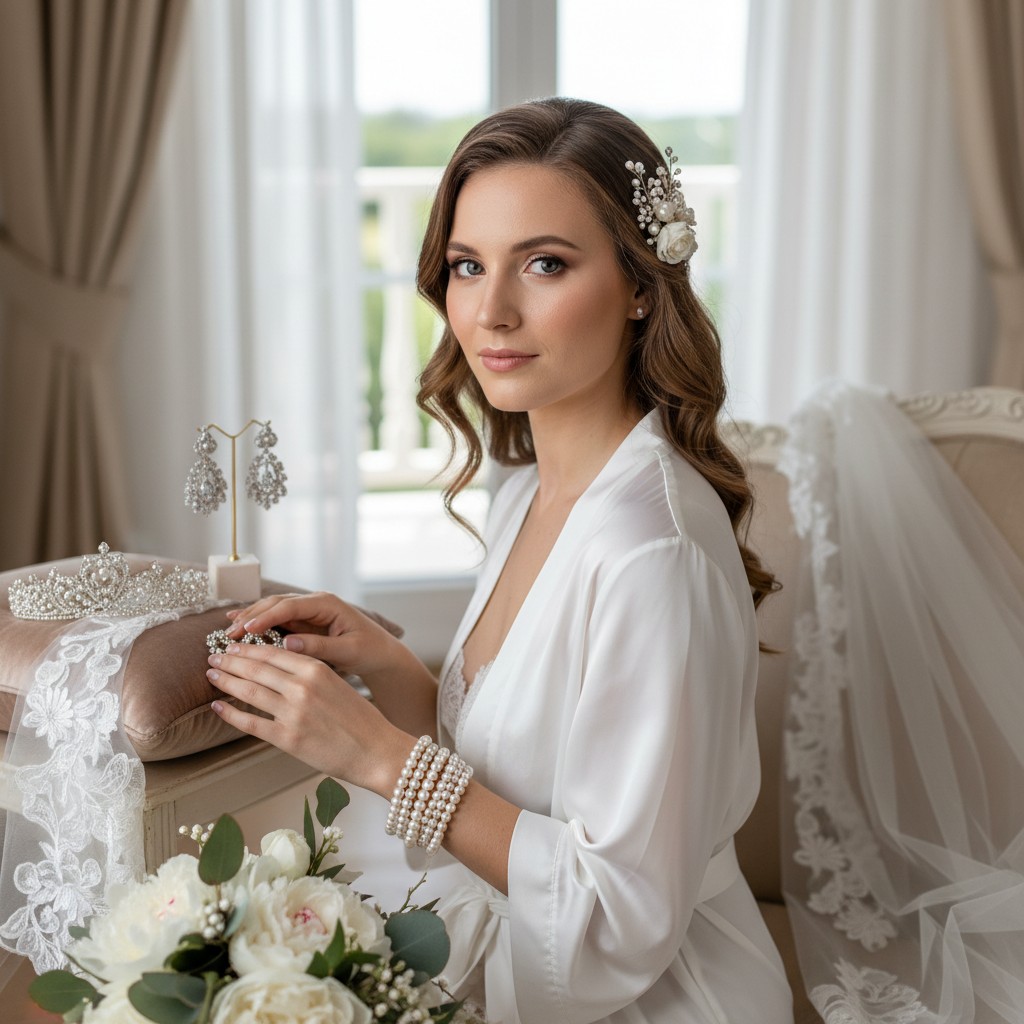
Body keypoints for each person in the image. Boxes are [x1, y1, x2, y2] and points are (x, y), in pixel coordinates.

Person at [206, 97, 794, 1024]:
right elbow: (519, 775)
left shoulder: (652, 551)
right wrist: (395, 670)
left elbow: (617, 917)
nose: (491, 310)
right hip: (505, 942)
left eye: (546, 264)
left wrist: (378, 756)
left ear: (641, 285)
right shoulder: (527, 487)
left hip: (649, 998)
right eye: (468, 265)